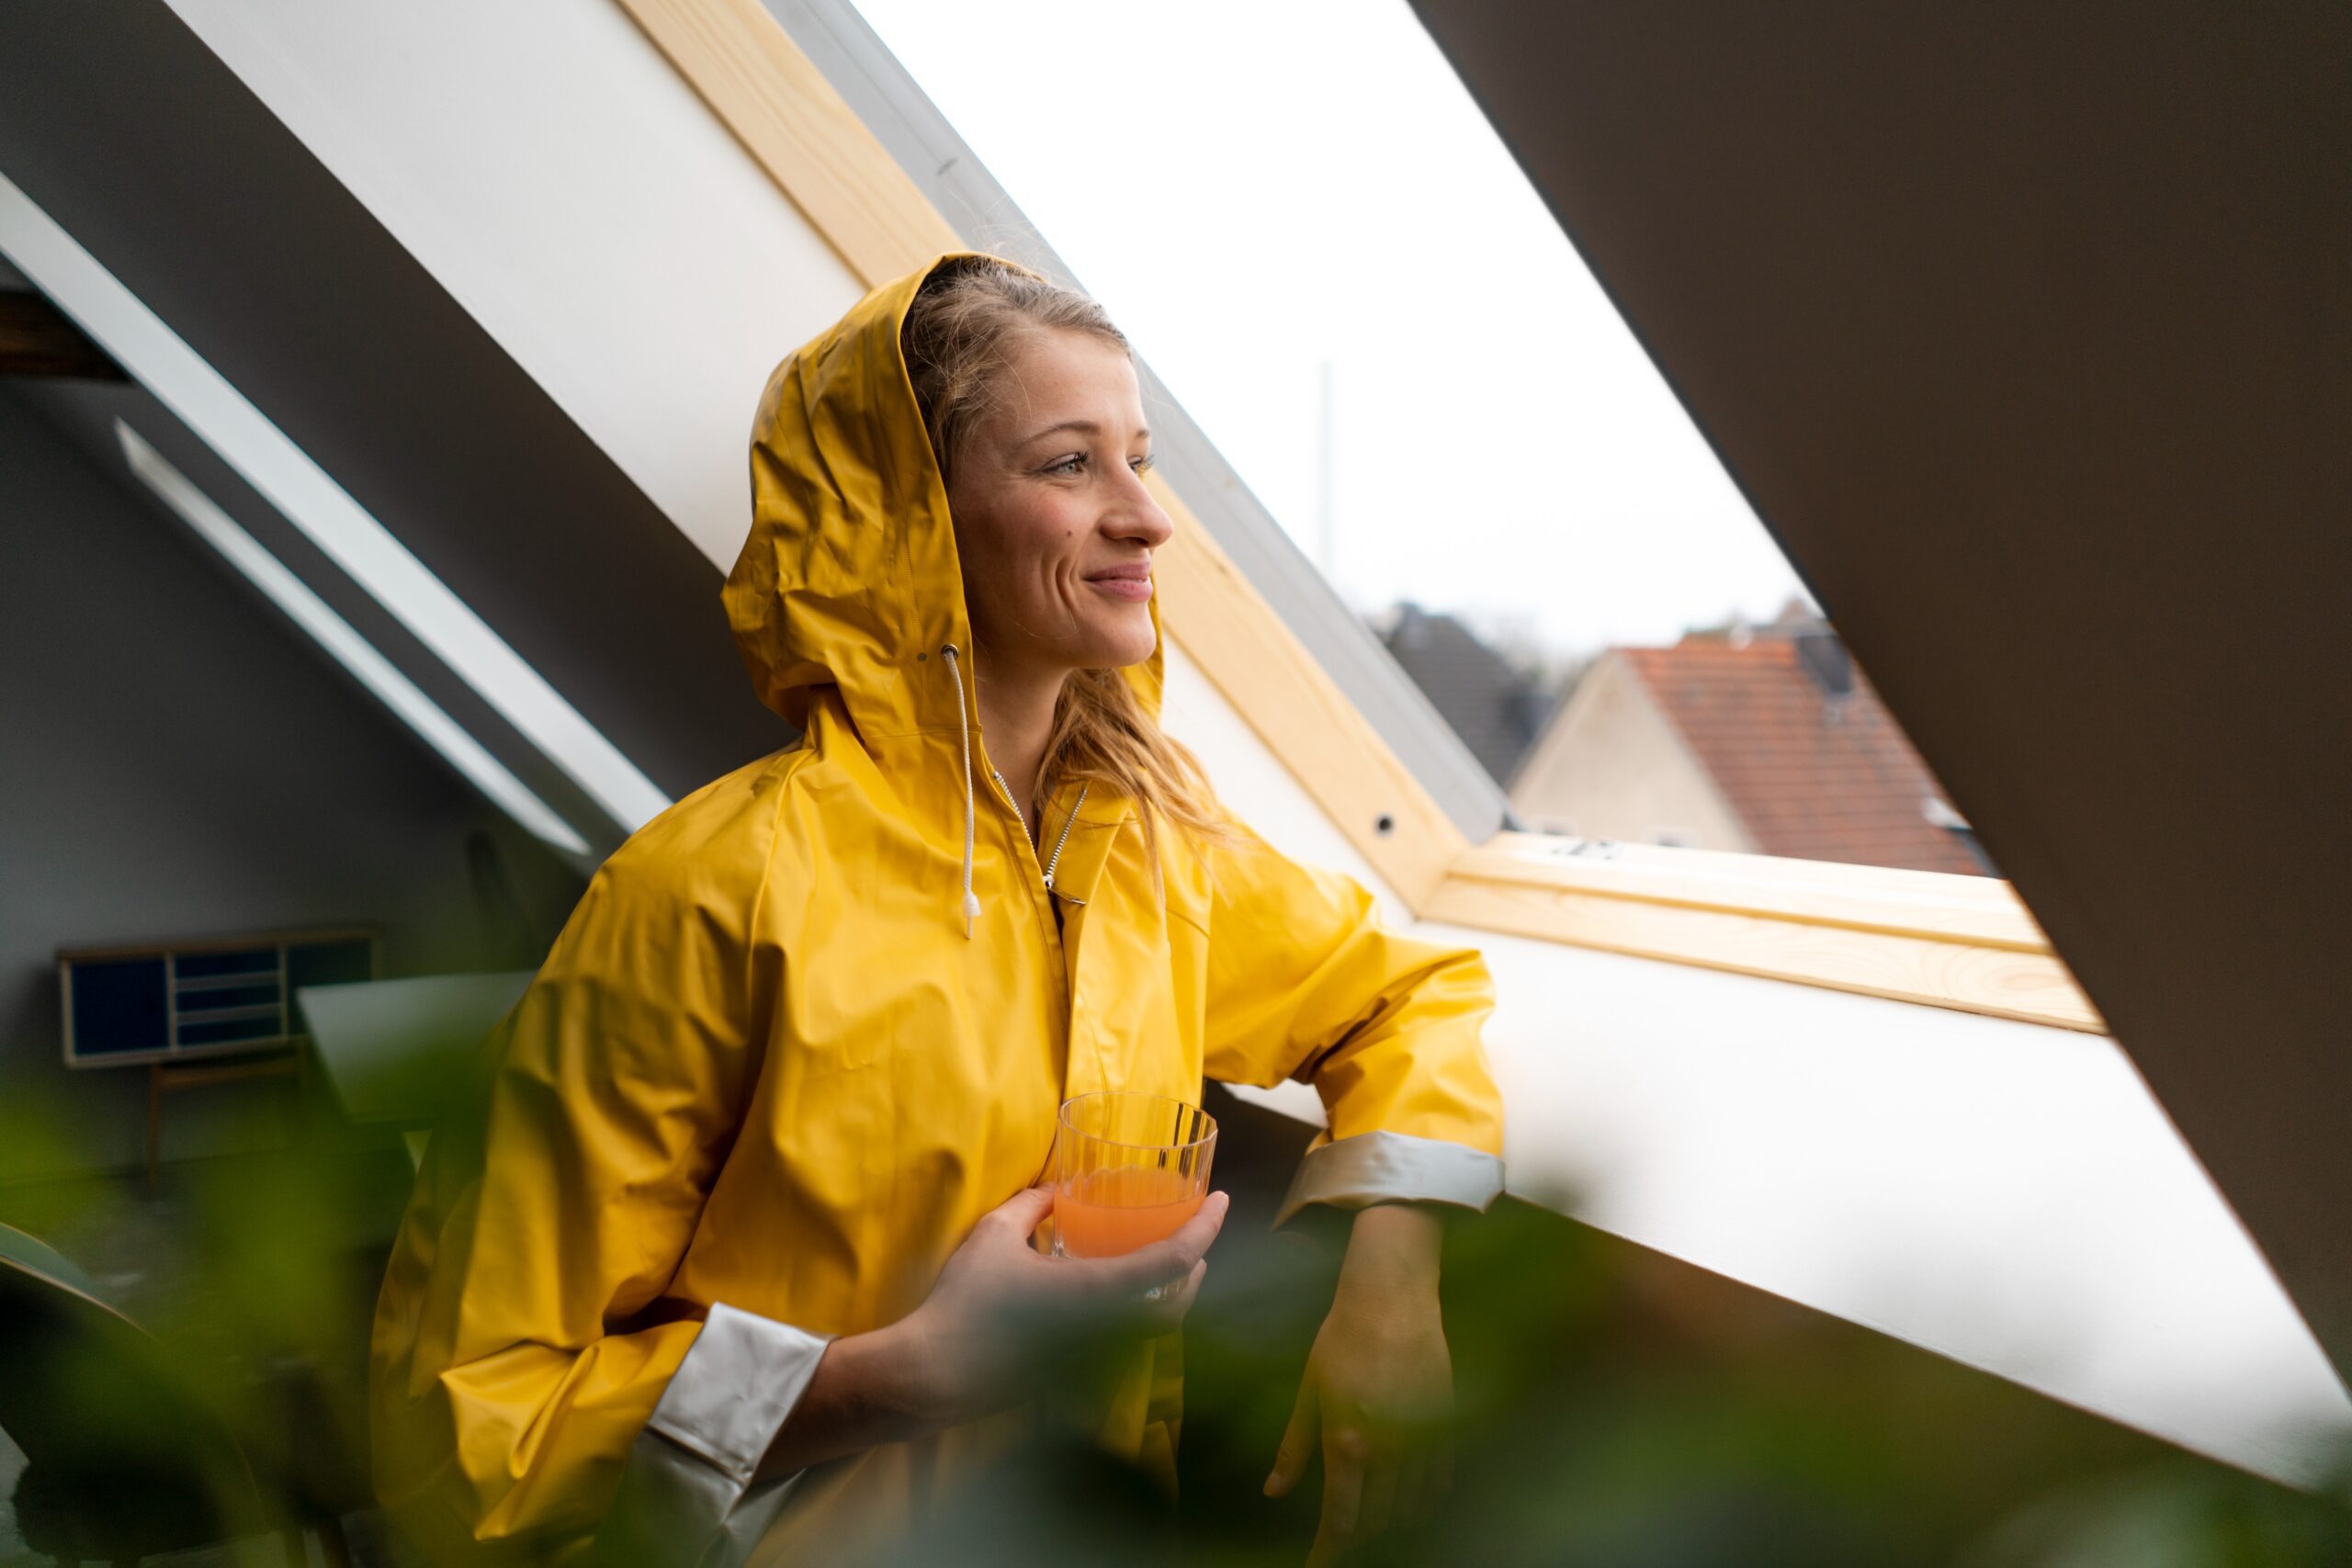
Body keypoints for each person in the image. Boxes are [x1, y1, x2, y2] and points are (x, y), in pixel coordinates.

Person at [370, 253, 1506, 1566]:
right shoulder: (709, 889)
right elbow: (470, 1429)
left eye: (1141, 458)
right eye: (1071, 465)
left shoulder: (1155, 856)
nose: (1148, 518)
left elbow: (1409, 996)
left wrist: (1392, 1279)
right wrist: (896, 1375)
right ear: (909, 514)